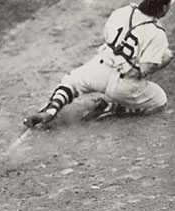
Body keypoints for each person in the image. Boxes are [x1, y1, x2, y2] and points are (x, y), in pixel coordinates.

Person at [23, 0, 174, 128]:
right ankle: (115, 107)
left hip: (99, 68)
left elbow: (107, 35)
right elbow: (145, 68)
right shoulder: (157, 33)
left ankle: (52, 109)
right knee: (160, 101)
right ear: (164, 8)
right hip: (124, 85)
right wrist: (165, 59)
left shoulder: (124, 11)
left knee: (70, 82)